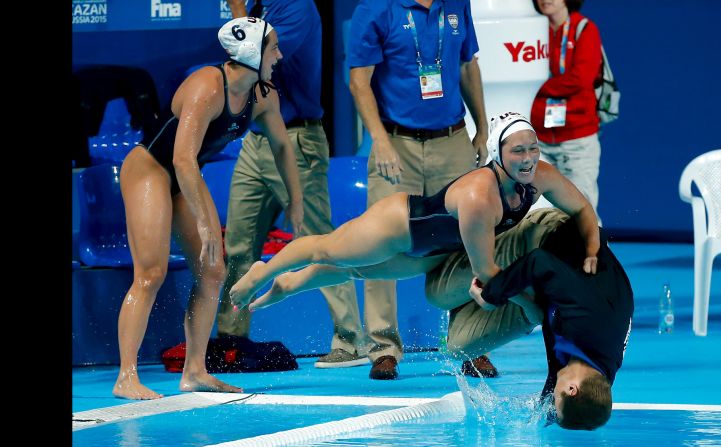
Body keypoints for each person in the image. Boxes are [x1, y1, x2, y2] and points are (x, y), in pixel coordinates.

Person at [229, 113, 601, 378]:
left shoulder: (541, 176)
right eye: (518, 151)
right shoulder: (479, 196)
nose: (528, 159)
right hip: (398, 227)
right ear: (497, 155)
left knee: (356, 271)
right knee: (327, 250)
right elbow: (487, 273)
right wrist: (532, 307)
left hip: (433, 253)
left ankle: (290, 285)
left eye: (533, 148)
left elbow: (583, 208)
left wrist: (592, 249)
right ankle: (268, 270)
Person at [113, 17, 304, 400]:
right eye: (273, 48)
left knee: (213, 272)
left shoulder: (263, 96)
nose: (279, 56)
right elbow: (182, 159)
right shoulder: (206, 87)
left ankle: (195, 371)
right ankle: (126, 376)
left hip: (186, 180)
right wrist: (204, 224)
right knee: (151, 272)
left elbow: (283, 147)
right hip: (150, 169)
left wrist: (296, 203)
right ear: (251, 53)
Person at [217, 0, 369, 369]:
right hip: (255, 139)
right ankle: (232, 339)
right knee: (239, 244)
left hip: (296, 140)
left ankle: (350, 340)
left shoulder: (297, 7)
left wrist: (237, 8)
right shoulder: (258, 7)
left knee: (319, 241)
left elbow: (258, 57)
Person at [348, 0, 491, 380]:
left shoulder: (457, 3)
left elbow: (466, 65)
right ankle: (383, 348)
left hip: (453, 140)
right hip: (397, 144)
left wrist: (483, 128)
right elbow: (359, 79)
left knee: (468, 242)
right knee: (378, 245)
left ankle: (471, 344)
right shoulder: (376, 8)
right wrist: (377, 139)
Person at [429, 207, 633, 430]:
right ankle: (469, 233)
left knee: (458, 346)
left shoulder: (594, 381)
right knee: (438, 293)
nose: (550, 402)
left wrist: (537, 426)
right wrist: (491, 295)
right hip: (544, 239)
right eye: (555, 403)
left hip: (550, 290)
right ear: (572, 389)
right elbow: (538, 261)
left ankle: (482, 276)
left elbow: (558, 386)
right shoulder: (591, 322)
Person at [531, 0, 605, 223]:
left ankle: (595, 256)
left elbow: (580, 79)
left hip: (577, 139)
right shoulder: (532, 29)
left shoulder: (585, 29)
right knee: (539, 211)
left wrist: (535, 87)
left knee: (583, 205)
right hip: (539, 138)